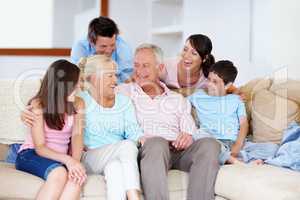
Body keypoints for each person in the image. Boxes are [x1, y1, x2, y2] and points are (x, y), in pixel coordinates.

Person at [117, 43, 221, 200]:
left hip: (177, 151)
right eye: (136, 65)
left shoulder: (177, 98)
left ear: (160, 68)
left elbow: (189, 128)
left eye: (146, 66)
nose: (139, 71)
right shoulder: (124, 92)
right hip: (148, 150)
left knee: (210, 144)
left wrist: (187, 136)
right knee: (157, 143)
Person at [15, 60, 86, 200]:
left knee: (77, 179)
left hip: (60, 160)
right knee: (59, 173)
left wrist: (75, 163)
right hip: (31, 154)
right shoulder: (38, 104)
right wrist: (68, 161)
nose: (79, 87)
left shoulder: (79, 103)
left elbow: (78, 136)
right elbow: (40, 147)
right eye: (75, 83)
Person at [78, 55, 142, 200]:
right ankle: (135, 197)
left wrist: (141, 139)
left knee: (116, 169)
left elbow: (134, 131)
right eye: (109, 76)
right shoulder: (80, 100)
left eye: (115, 75)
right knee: (127, 145)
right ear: (94, 78)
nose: (115, 81)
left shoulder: (124, 101)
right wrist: (32, 107)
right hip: (91, 157)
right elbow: (52, 101)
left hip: (118, 156)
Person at [188, 60, 248, 164]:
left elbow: (244, 124)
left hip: (232, 142)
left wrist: (238, 145)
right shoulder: (198, 96)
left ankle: (229, 157)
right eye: (209, 80)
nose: (209, 84)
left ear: (227, 85)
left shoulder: (235, 100)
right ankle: (231, 159)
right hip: (210, 141)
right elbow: (179, 104)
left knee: (270, 148)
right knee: (197, 134)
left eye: (215, 82)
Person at [160, 34, 237, 94]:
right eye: (185, 49)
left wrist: (236, 92)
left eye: (194, 53)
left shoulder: (207, 76)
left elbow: (226, 86)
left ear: (204, 58)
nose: (186, 56)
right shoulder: (166, 66)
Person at [71, 16, 133, 83]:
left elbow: (127, 80)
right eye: (103, 46)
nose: (109, 51)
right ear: (92, 43)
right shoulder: (80, 48)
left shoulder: (123, 48)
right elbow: (78, 79)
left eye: (112, 45)